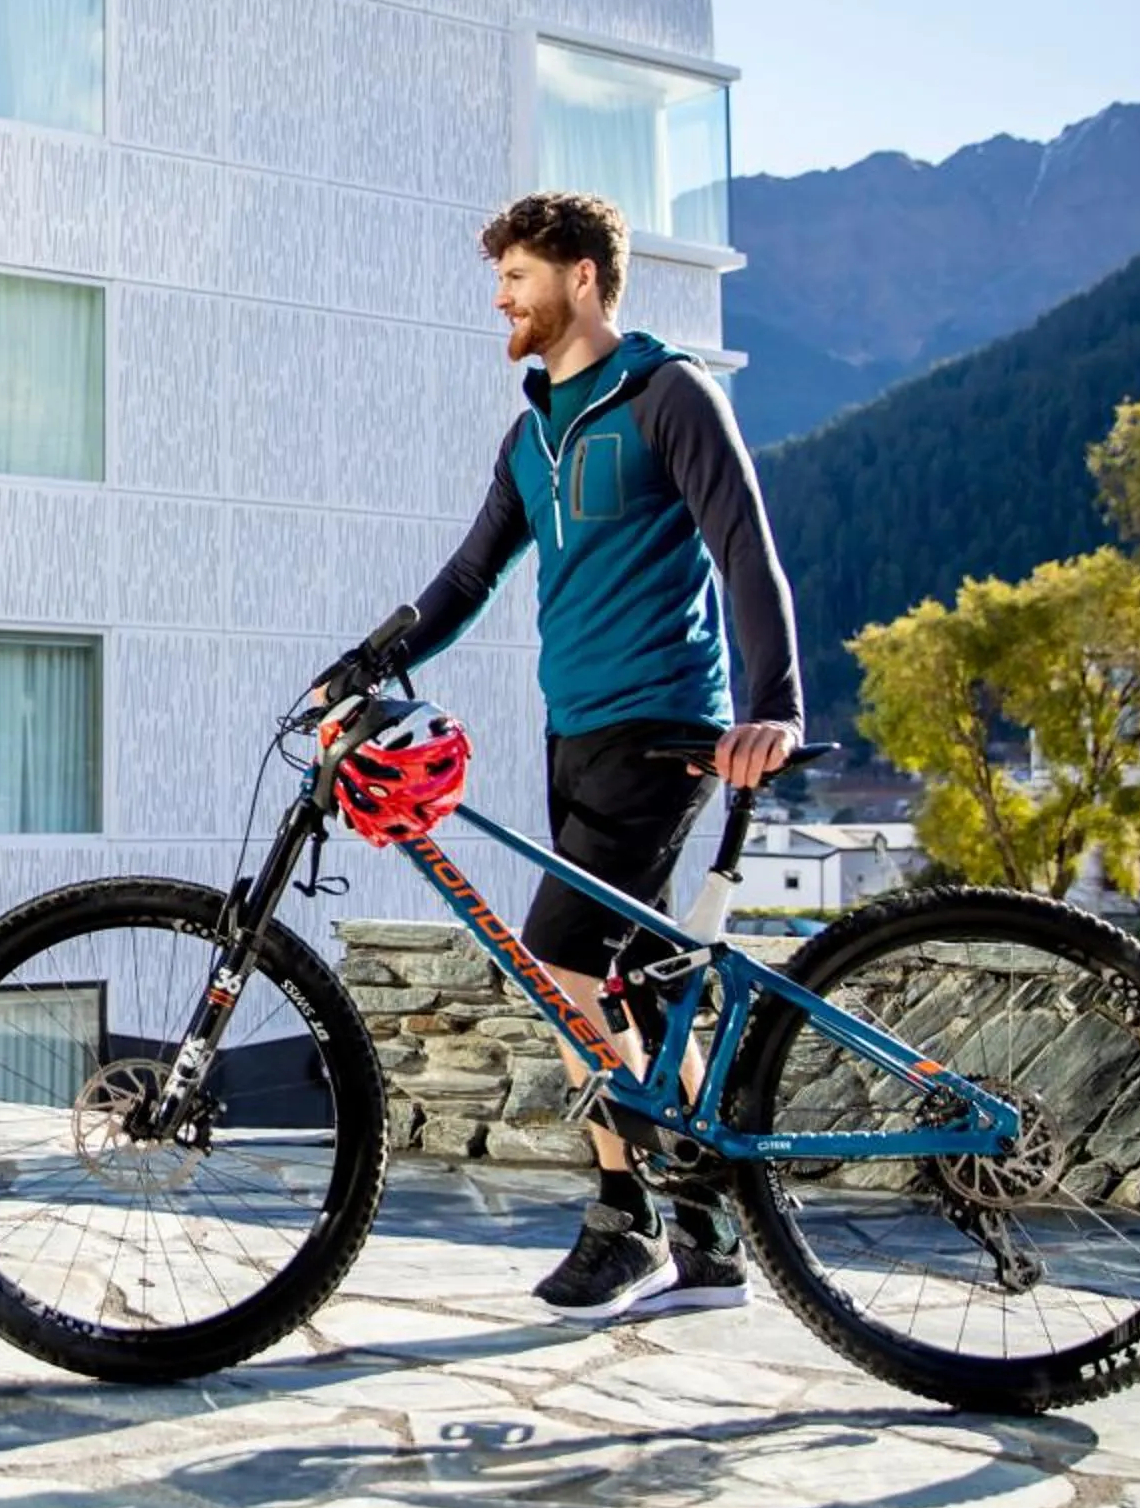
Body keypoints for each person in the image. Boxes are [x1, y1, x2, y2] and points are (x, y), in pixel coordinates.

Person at [323, 190, 804, 1323]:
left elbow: (746, 550)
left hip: (666, 727)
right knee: (628, 984)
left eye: (518, 277)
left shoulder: (666, 393)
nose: (501, 296)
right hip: (574, 730)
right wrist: (363, 662)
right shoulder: (534, 429)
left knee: (559, 960)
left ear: (582, 277)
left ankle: (621, 1212)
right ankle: (711, 1228)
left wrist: (773, 704)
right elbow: (467, 576)